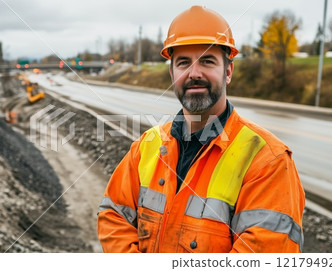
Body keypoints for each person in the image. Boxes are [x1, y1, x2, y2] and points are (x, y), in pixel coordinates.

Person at [97, 6, 305, 253]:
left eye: (207, 61)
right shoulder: (146, 146)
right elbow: (113, 216)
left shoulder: (268, 160)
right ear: (172, 73)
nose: (194, 73)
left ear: (228, 71)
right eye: (183, 63)